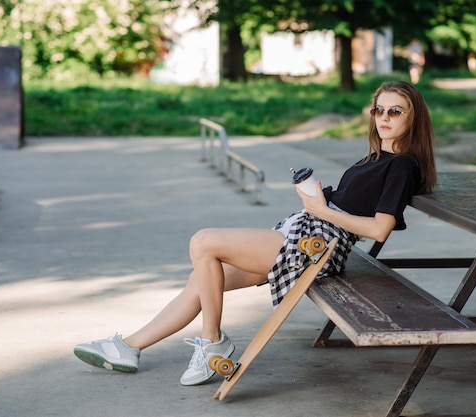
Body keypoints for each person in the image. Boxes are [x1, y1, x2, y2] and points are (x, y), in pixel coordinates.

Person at [73, 80, 438, 386]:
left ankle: (212, 340)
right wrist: (317, 196)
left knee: (204, 242)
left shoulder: (402, 165)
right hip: (306, 231)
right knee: (200, 278)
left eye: (395, 111)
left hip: (317, 245)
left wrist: (323, 210)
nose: (384, 118)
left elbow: (379, 228)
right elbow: (348, 202)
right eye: (379, 110)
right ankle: (130, 347)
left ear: (413, 117)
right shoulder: (376, 157)